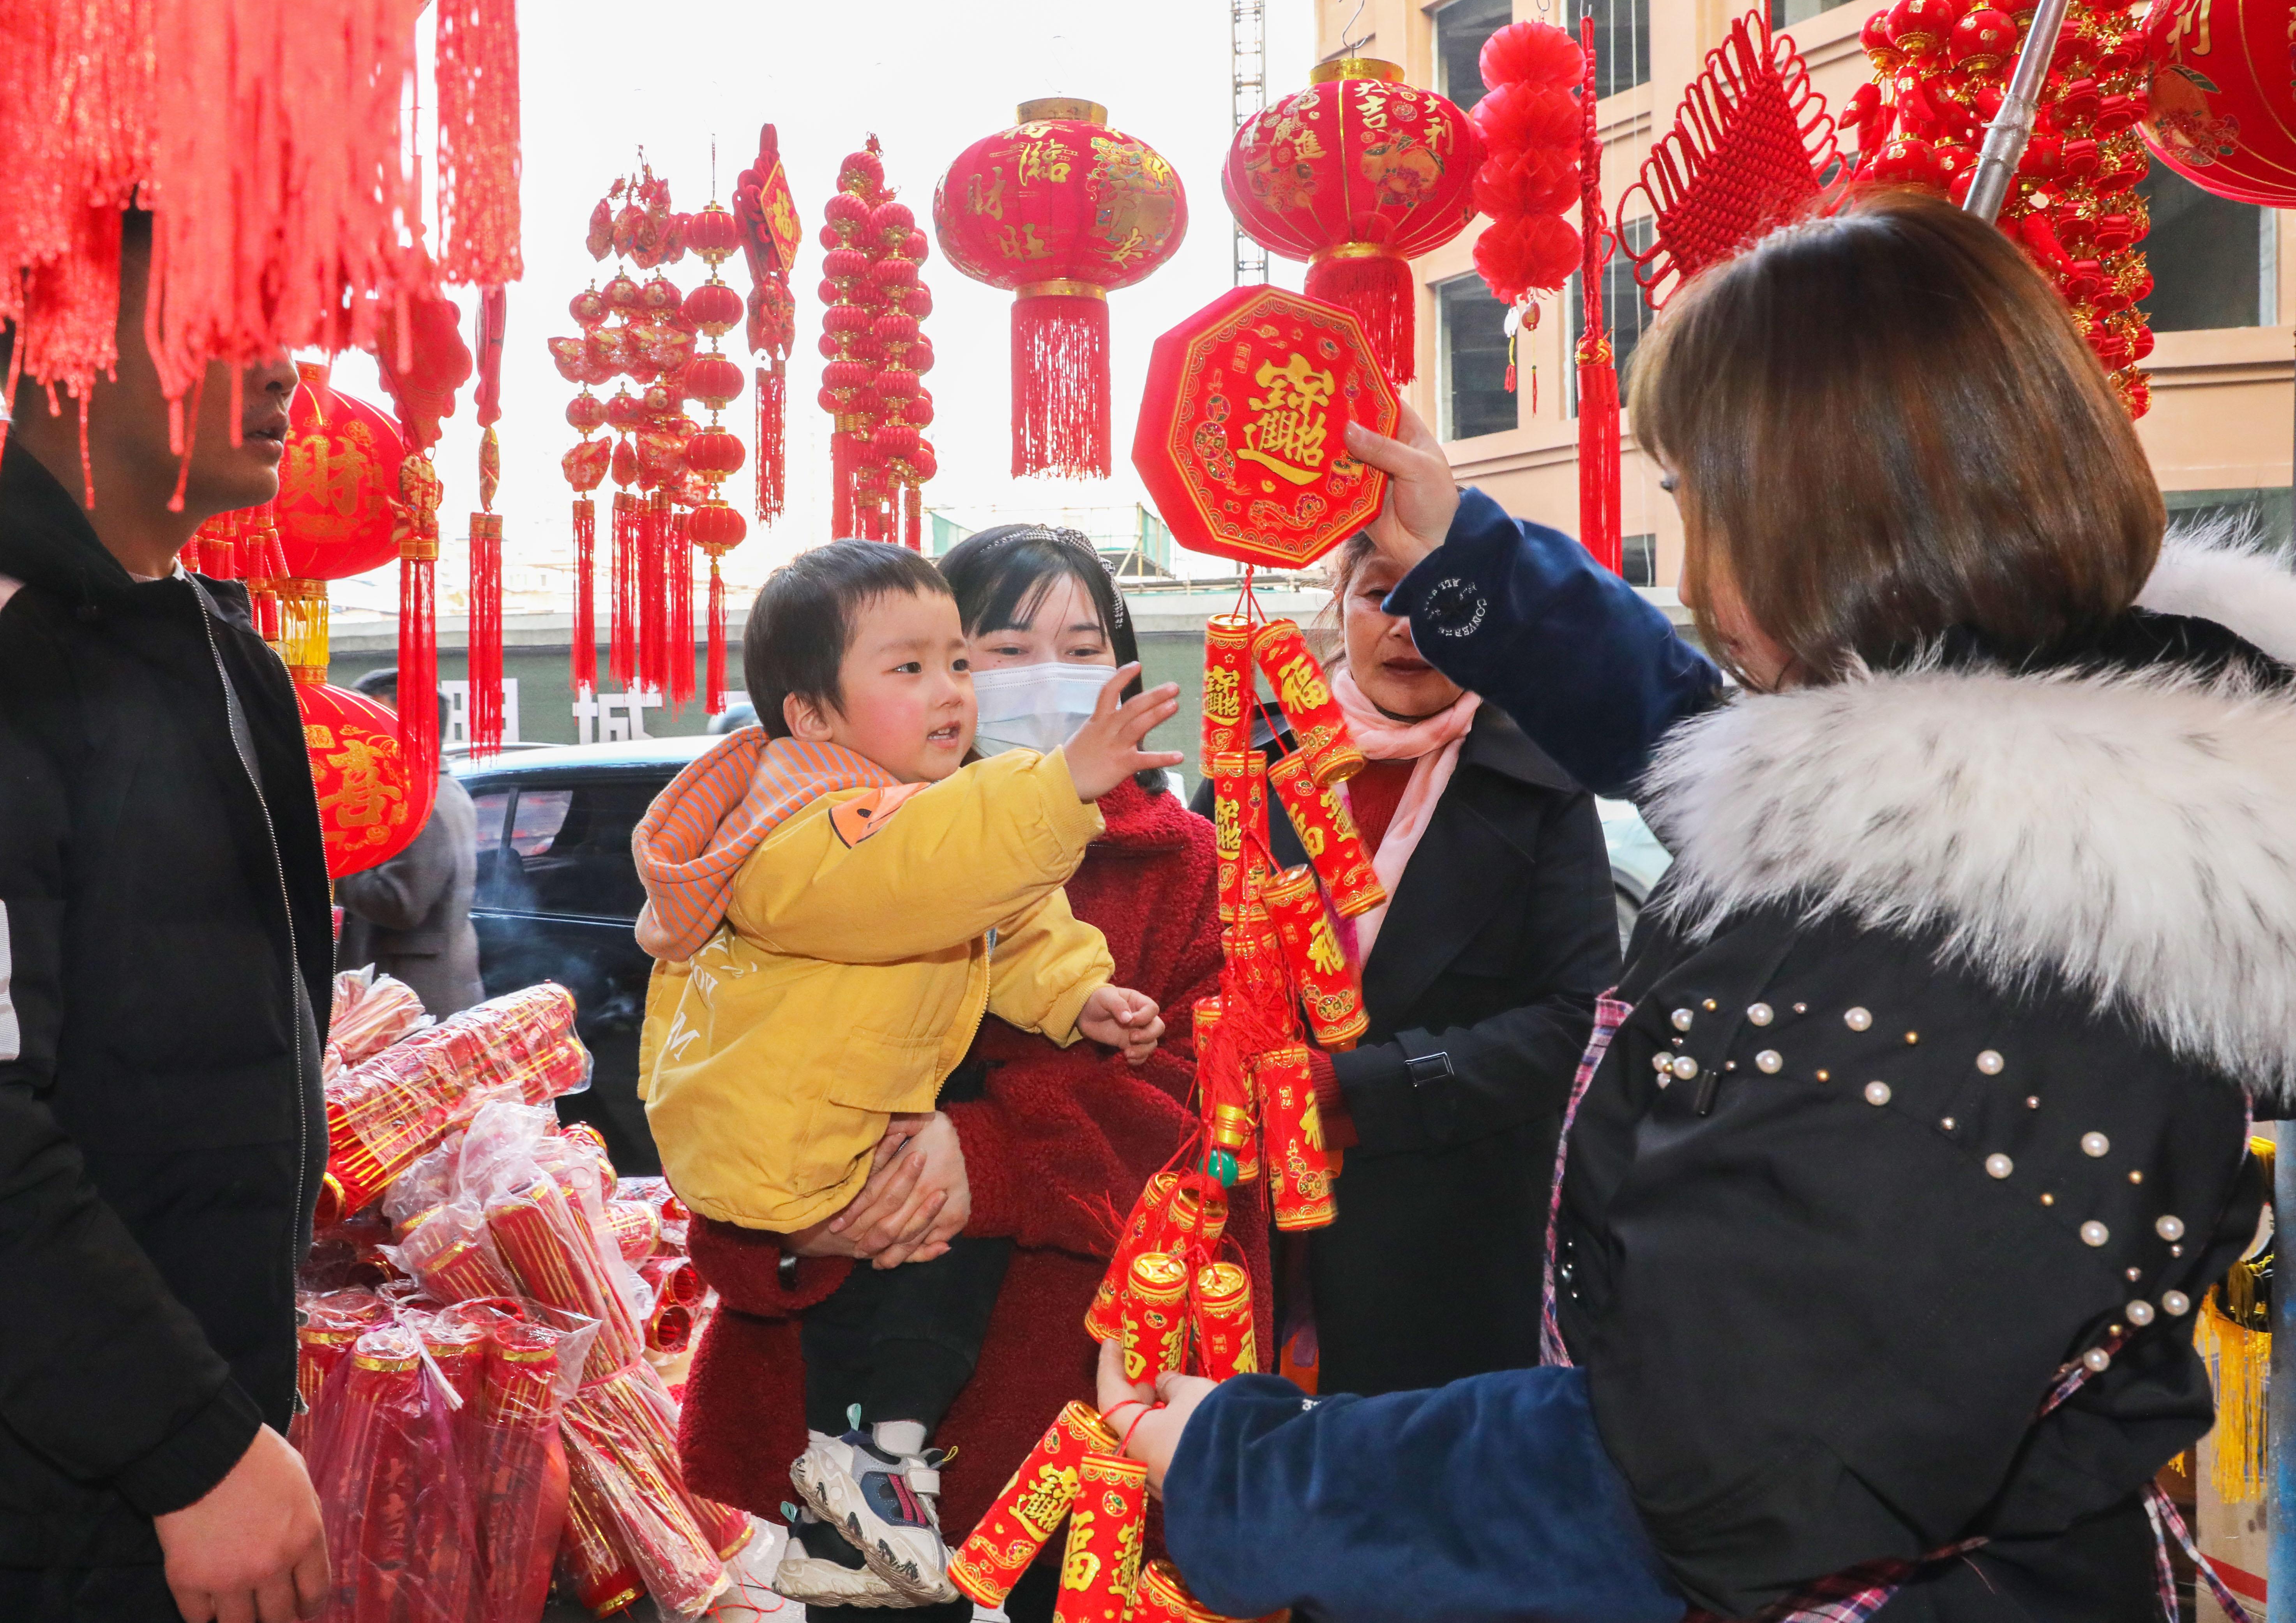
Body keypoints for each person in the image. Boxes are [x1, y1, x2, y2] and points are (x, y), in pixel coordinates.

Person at [1103, 191, 2290, 1623]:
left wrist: (1241, 1464)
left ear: (1808, 520)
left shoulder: (1957, 967)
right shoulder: (2028, 806)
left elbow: (1705, 1476)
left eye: (1691, 499)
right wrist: (1462, 549)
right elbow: (1700, 737)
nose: (1687, 552)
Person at [677, 523, 1257, 1621]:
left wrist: (983, 1157)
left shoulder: (1185, 867)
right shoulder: (819, 849)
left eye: (1082, 642)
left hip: (1079, 1411)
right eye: (997, 647)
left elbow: (1205, 1119)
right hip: (854, 1413)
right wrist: (804, 1224)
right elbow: (732, 1088)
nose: (1043, 675)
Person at [0, 208, 331, 1623]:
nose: (287, 365)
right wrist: (186, 1442)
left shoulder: (231, 658)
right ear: (60, 341)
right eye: (226, 314)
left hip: (205, 1447)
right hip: (67, 1483)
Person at [1187, 533, 1617, 1395]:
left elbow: (1577, 1018)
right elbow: (1191, 967)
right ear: (1339, 604)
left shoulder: (1539, 784)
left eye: (1449, 604)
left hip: (1450, 1233)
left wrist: (1360, 1088)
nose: (1409, 628)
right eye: (1382, 594)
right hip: (1253, 1214)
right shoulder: (1255, 766)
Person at [334, 670, 483, 1018]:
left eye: (370, 717)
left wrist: (331, 865)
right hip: (422, 984)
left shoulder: (418, 801)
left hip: (411, 994)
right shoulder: (439, 788)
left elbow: (400, 904)